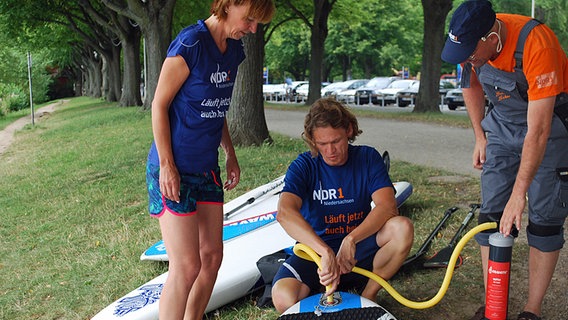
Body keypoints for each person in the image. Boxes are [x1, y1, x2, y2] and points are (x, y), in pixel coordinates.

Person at [145, 1, 274, 319]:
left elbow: (218, 106)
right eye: (250, 20)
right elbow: (158, 106)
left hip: (206, 168)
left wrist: (230, 153)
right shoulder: (191, 43)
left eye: (258, 24)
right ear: (229, 5)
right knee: (186, 266)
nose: (253, 29)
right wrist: (167, 165)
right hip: (174, 167)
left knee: (212, 258)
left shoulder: (234, 50)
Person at [441, 1, 568, 320]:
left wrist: (519, 195)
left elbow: (537, 132)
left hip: (549, 125)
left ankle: (532, 309)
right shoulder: (469, 45)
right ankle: (494, 303)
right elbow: (470, 82)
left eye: (472, 52)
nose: (467, 58)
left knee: (544, 219)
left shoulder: (537, 43)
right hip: (502, 125)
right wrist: (480, 137)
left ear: (492, 38)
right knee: (491, 216)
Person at [271, 98, 414, 313]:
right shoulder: (304, 165)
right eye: (322, 144)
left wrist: (351, 239)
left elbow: (388, 207)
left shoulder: (367, 157)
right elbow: (284, 213)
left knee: (402, 227)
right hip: (316, 253)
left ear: (349, 130)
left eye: (336, 141)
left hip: (360, 249)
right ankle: (325, 285)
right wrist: (325, 252)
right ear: (311, 140)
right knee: (283, 299)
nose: (330, 151)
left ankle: (369, 297)